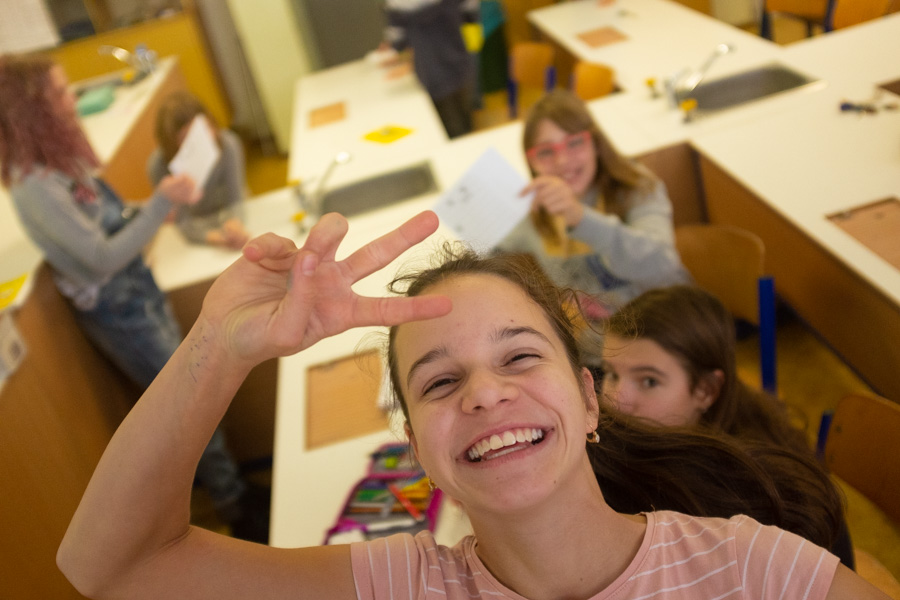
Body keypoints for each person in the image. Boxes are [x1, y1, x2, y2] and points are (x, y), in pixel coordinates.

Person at [56, 210, 888, 599]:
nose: (486, 393)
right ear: (417, 450)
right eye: (439, 383)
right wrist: (217, 344)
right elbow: (112, 565)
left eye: (520, 356)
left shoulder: (749, 568)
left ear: (588, 400)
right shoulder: (403, 585)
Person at [0, 54, 265, 544]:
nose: (72, 100)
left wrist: (151, 207)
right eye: (60, 93)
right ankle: (235, 506)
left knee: (198, 394)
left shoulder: (55, 161)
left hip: (139, 290)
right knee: (190, 406)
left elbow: (111, 219)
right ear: (30, 109)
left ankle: (237, 491)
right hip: (121, 311)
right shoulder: (33, 188)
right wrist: (161, 204)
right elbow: (101, 257)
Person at [599, 284, 856, 567]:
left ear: (706, 390)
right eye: (611, 374)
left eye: (649, 381)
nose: (616, 400)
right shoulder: (652, 433)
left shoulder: (744, 497)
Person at [495, 89, 690, 323]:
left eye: (575, 143)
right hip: (601, 336)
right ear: (531, 161)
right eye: (546, 152)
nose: (562, 160)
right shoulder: (533, 211)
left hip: (668, 322)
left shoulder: (637, 187)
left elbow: (662, 265)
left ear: (596, 144)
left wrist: (580, 218)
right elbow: (494, 257)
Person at [147, 90, 250, 250]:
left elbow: (236, 198)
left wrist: (235, 224)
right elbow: (181, 219)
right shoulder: (158, 165)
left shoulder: (228, 144)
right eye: (188, 138)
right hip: (196, 231)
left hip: (230, 217)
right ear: (172, 144)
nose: (203, 139)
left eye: (204, 129)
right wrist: (214, 238)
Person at [381, 0, 479, 139]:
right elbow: (471, 15)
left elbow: (398, 41)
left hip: (430, 73)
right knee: (466, 122)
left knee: (449, 130)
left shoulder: (396, 4)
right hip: (459, 63)